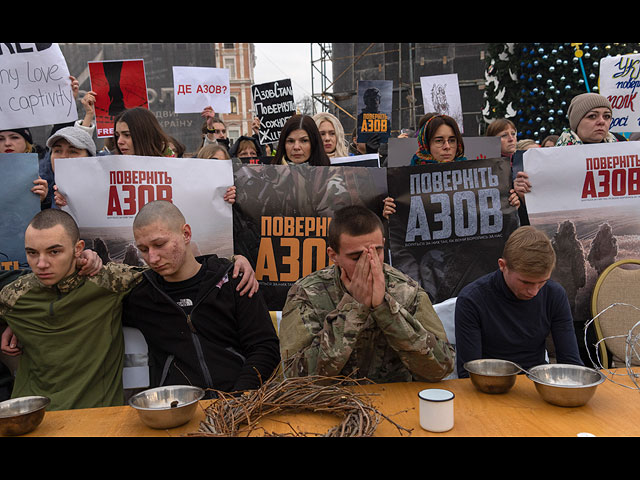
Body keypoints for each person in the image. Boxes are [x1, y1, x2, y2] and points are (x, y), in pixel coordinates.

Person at [279, 205, 455, 383]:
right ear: (333, 255)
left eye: (376, 252)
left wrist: (385, 309)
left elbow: (441, 368)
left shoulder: (406, 291)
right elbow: (297, 377)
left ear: (384, 244)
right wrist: (353, 308)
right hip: (331, 402)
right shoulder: (307, 293)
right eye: (356, 258)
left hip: (396, 402)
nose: (369, 262)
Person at [122, 200, 280, 395]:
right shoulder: (141, 295)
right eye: (144, 250)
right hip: (175, 411)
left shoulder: (234, 280)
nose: (152, 258)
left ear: (186, 234)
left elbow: (265, 347)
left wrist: (237, 400)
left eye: (160, 244)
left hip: (240, 407)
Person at [0, 209, 143, 410]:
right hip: (33, 421)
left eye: (54, 252)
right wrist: (8, 324)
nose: (41, 264)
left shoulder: (109, 282)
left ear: (78, 249)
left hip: (96, 421)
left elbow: (170, 274)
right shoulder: (14, 295)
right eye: (32, 253)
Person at [454, 226, 584, 378]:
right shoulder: (472, 300)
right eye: (526, 282)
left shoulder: (554, 294)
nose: (534, 291)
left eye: (542, 282)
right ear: (503, 266)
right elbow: (469, 374)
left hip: (536, 383)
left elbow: (571, 364)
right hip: (490, 385)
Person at [514, 93, 619, 197]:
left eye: (607, 116)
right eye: (592, 116)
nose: (601, 121)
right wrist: (524, 195)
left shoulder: (622, 145)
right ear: (576, 121)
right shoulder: (550, 158)